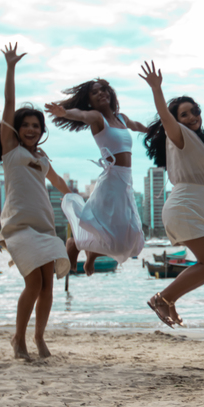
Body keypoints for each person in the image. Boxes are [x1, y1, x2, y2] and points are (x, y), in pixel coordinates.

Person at [0, 44, 71, 360]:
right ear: (17, 130)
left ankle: (39, 338)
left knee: (48, 287)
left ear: (42, 131)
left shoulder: (43, 157)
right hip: (19, 227)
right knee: (33, 283)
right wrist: (11, 67)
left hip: (45, 227)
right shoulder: (12, 151)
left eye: (37, 126)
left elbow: (61, 184)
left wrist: (79, 203)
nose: (32, 129)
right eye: (26, 125)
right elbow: (9, 103)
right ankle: (18, 339)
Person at [138, 61, 204, 327]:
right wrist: (157, 89)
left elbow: (200, 167)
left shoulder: (203, 143)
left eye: (194, 112)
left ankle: (169, 300)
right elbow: (165, 115)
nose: (191, 117)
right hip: (183, 205)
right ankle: (162, 299)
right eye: (184, 114)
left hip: (192, 206)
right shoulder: (179, 135)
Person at [44, 79, 146, 275]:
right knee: (118, 237)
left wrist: (157, 129)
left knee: (130, 238)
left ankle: (92, 254)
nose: (101, 94)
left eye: (104, 90)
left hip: (125, 181)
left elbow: (137, 125)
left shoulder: (122, 119)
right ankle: (75, 243)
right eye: (95, 93)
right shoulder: (97, 118)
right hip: (111, 181)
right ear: (89, 101)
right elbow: (81, 115)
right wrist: (64, 113)